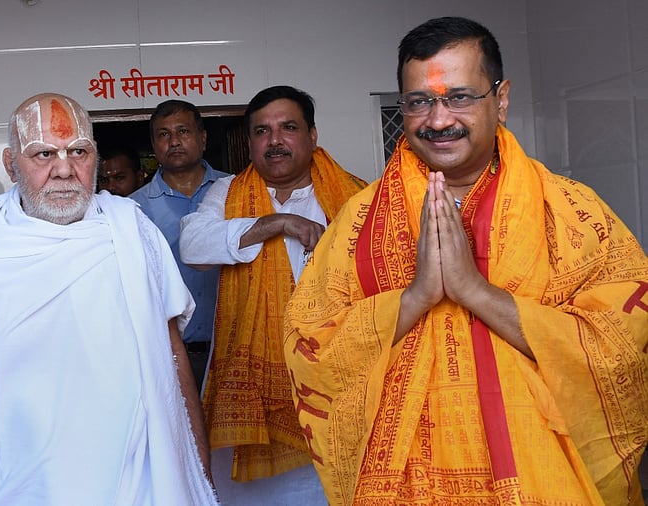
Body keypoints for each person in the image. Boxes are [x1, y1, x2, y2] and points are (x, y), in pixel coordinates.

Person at [284, 16, 648, 505]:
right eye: (419, 102)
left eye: (458, 96)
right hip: (403, 486)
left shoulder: (571, 211)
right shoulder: (359, 220)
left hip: (541, 481)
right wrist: (415, 298)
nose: (438, 119)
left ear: (500, 99)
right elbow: (311, 348)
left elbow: (620, 347)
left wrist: (474, 291)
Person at [0, 93, 218, 505]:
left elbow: (170, 355)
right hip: (14, 476)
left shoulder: (131, 229)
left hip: (131, 470)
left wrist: (198, 468)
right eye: (43, 154)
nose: (65, 169)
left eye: (79, 151)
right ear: (10, 164)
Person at [180, 86, 367, 503]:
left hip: (337, 384)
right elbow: (193, 245)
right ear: (250, 143)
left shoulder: (357, 196)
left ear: (313, 136)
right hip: (252, 394)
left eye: (288, 127)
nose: (275, 140)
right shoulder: (228, 193)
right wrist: (275, 223)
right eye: (262, 131)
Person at [129, 99, 229, 390]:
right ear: (153, 144)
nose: (174, 141)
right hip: (167, 355)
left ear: (203, 137)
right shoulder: (133, 208)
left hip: (234, 352)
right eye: (163, 134)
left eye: (183, 131)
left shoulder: (236, 192)